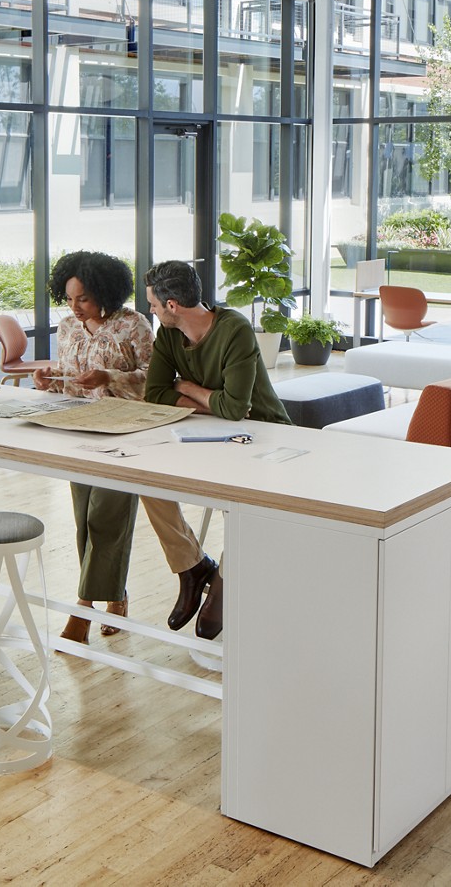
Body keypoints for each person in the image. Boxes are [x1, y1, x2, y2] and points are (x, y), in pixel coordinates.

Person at [140, 260, 292, 640]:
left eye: (154, 305)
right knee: (146, 480)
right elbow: (154, 396)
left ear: (172, 305)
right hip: (204, 433)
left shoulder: (234, 328)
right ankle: (191, 565)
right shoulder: (168, 335)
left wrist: (187, 387)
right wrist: (213, 402)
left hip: (265, 435)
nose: (152, 311)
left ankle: (227, 574)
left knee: (239, 500)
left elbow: (238, 410)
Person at [33, 251, 155, 644]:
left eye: (82, 298)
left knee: (106, 515)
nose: (74, 307)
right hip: (79, 430)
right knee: (86, 518)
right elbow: (69, 379)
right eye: (69, 298)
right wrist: (47, 380)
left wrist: (111, 377)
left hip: (126, 432)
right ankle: (116, 597)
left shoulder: (134, 325)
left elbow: (154, 379)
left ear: (104, 291)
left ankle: (82, 608)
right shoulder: (68, 327)